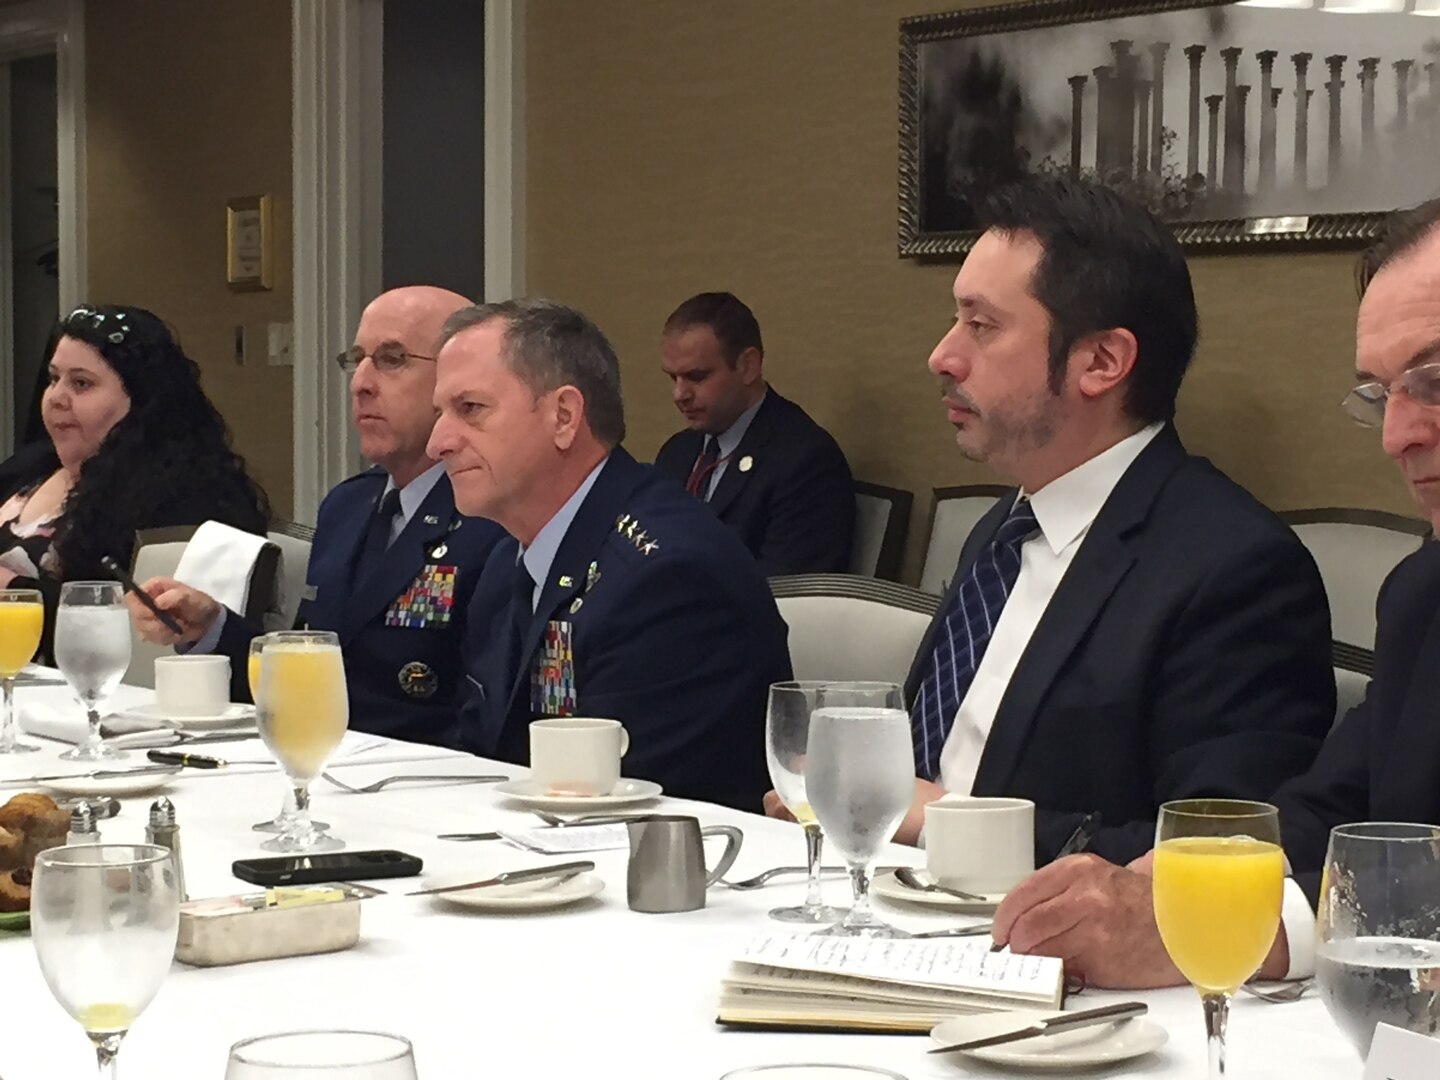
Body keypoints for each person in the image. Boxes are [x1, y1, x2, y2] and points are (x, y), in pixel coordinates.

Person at [766, 176, 1334, 865]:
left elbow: (1220, 856)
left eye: (981, 325)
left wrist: (935, 820)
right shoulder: (1004, 530)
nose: (942, 356)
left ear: (1101, 361)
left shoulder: (1235, 568)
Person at [987, 196, 1440, 989]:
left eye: (1434, 382)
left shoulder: (1231, 561)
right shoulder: (1423, 596)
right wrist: (1169, 885)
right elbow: (1327, 814)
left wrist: (1238, 932)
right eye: (1380, 394)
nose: (1397, 436)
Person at [430, 298, 792, 810]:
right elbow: (479, 749)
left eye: (470, 409)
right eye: (438, 413)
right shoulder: (505, 557)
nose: (438, 442)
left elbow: (623, 806)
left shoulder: (668, 577)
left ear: (564, 416)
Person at [127, 287, 505, 747]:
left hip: (421, 784)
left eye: (391, 359)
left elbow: (482, 722)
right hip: (321, 769)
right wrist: (213, 629)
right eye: (357, 359)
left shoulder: (493, 515)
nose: (361, 382)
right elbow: (315, 675)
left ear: (454, 382)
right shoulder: (347, 506)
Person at [0, 304, 269, 660]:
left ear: (141, 401)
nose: (56, 398)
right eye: (53, 379)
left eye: (81, 383)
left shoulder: (187, 497)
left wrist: (13, 590)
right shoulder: (29, 467)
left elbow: (145, 632)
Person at [653, 292, 855, 575]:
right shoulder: (678, 453)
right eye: (673, 378)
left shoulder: (805, 461)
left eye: (697, 377)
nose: (679, 394)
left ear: (748, 366)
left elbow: (785, 595)